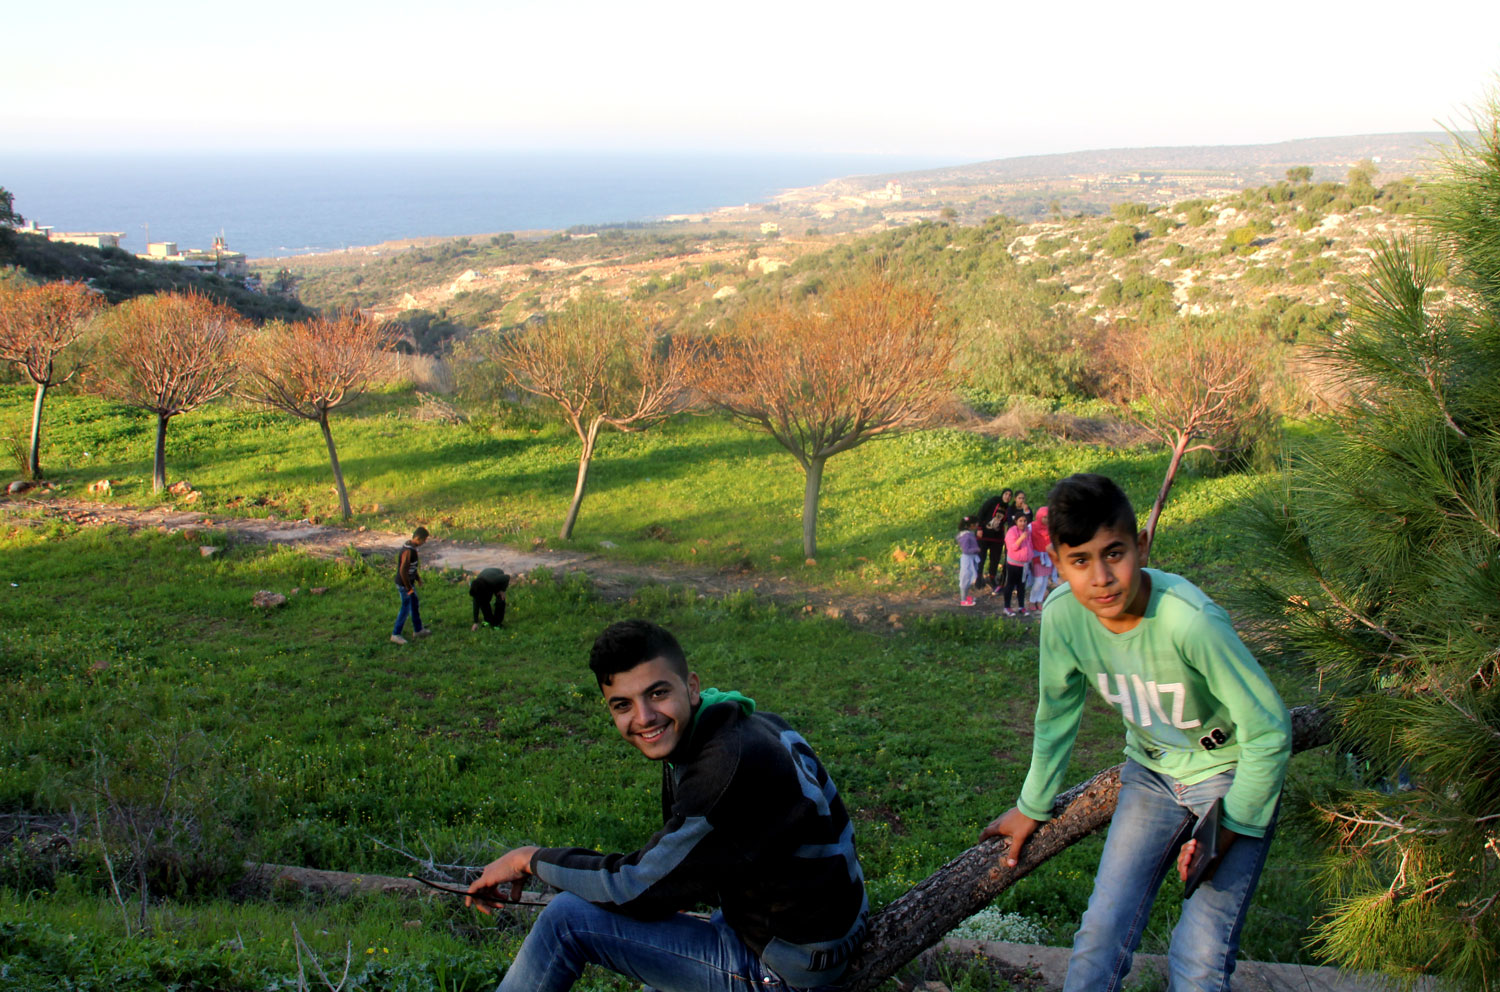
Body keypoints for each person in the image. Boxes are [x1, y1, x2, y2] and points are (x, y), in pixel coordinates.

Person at [981, 473, 1290, 992]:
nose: (1101, 577)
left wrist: (1229, 824)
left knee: (1197, 957)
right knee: (1100, 937)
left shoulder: (1190, 622)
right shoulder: (1062, 619)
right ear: (1055, 564)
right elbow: (1056, 714)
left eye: (1115, 553)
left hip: (1229, 776)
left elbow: (1268, 729)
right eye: (1079, 561)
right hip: (1151, 775)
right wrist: (1032, 805)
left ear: (1141, 546)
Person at [466, 620, 868, 992]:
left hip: (785, 969)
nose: (643, 717)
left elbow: (634, 888)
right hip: (816, 933)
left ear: (691, 687)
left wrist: (528, 859)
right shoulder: (744, 723)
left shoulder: (724, 770)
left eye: (657, 693)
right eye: (622, 704)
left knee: (565, 920)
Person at [391, 526, 430, 645]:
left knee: (414, 604)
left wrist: (417, 578)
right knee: (406, 608)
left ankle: (418, 630)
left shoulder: (412, 547)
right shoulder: (408, 551)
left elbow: (412, 568)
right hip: (404, 585)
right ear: (418, 538)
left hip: (409, 583)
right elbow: (403, 571)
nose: (425, 542)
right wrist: (408, 589)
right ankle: (396, 634)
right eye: (424, 540)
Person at [976, 489, 1013, 591]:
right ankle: (978, 578)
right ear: (1002, 494)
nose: (1007, 497)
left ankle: (992, 578)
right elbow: (981, 512)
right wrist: (979, 528)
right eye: (1006, 494)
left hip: (997, 537)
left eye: (1010, 496)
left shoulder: (1008, 509)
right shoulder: (993, 502)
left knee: (995, 559)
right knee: (981, 557)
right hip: (984, 534)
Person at [1001, 511, 1032, 617]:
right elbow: (1012, 547)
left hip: (1025, 565)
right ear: (1016, 522)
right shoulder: (1012, 531)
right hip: (1013, 564)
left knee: (1021, 587)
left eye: (1024, 521)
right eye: (1020, 521)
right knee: (1010, 585)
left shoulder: (1027, 531)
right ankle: (1007, 607)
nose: (1023, 523)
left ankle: (1021, 607)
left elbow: (1030, 545)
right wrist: (1021, 538)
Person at [957, 515, 982, 607]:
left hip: (971, 558)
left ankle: (966, 596)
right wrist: (976, 549)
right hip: (967, 559)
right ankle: (963, 600)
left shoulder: (969, 533)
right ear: (971, 525)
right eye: (976, 524)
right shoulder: (965, 536)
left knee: (970, 577)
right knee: (965, 577)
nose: (977, 525)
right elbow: (966, 549)